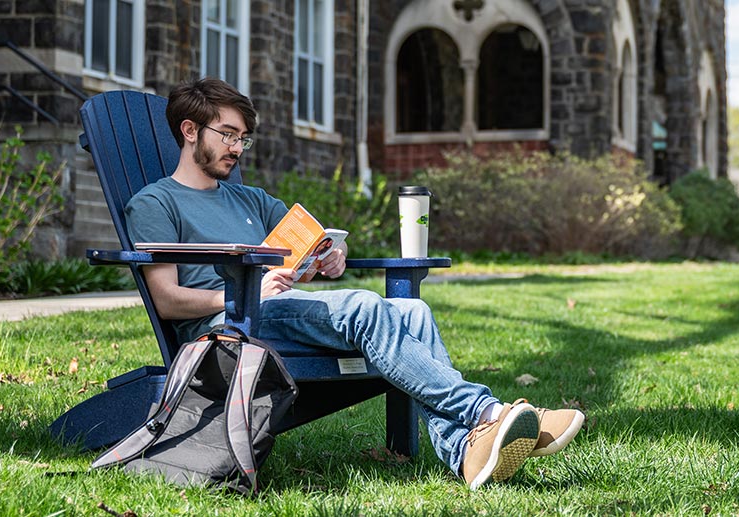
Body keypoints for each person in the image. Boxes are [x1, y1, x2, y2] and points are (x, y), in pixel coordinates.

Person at [124, 77, 583, 490]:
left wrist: (329, 254)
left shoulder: (251, 198)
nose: (237, 148)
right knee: (364, 307)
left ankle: (465, 451)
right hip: (222, 331)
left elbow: (304, 241)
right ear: (190, 131)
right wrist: (244, 294)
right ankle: (488, 413)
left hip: (277, 312)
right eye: (227, 135)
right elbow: (166, 300)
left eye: (243, 138)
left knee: (413, 312)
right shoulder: (155, 203)